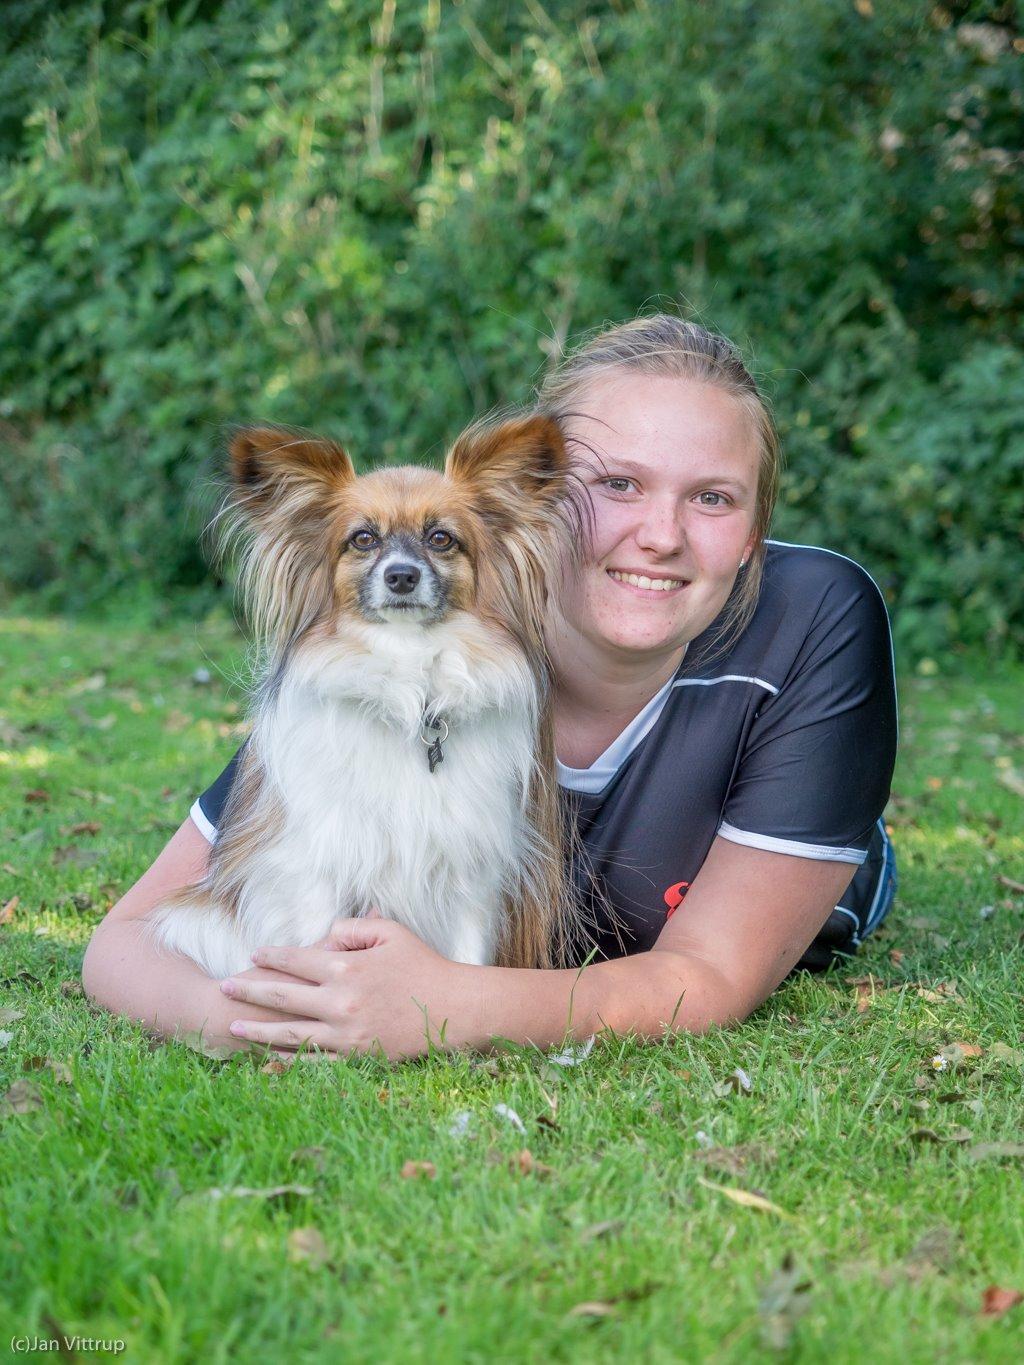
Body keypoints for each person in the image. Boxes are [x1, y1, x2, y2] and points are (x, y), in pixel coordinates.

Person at [82, 316, 898, 1059]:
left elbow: (708, 977)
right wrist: (246, 1021)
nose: (659, 536)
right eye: (617, 484)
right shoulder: (405, 662)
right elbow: (124, 941)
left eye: (712, 497)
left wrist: (453, 1008)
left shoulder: (814, 617)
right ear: (539, 506)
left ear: (756, 529)